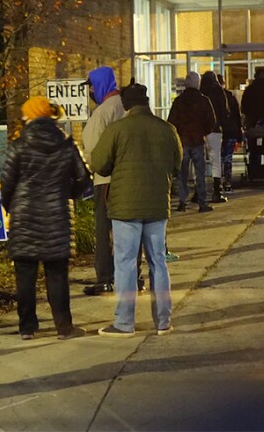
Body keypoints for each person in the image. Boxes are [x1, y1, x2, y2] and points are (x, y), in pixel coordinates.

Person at [90, 80, 182, 337]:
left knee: (126, 263)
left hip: (124, 208)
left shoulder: (118, 129)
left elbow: (98, 162)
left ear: (126, 105)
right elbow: (177, 163)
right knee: (158, 263)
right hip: (156, 205)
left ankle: (124, 322)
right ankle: (163, 321)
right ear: (147, 101)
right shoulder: (167, 129)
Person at [0, 96, 91, 341]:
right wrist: (66, 194)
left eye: (26, 114)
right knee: (57, 274)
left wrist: (10, 206)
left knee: (25, 275)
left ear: (32, 116)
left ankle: (27, 327)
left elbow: (6, 183)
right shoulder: (67, 145)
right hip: (56, 216)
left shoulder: (19, 146)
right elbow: (84, 180)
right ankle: (63, 327)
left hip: (24, 215)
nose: (24, 118)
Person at [80, 66, 126, 296]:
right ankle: (128, 276)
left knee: (103, 230)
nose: (89, 90)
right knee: (127, 229)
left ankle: (105, 277)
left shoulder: (102, 113)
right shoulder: (125, 107)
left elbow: (93, 151)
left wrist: (95, 166)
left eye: (91, 85)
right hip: (127, 179)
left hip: (105, 179)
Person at [167, 71, 215, 213]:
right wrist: (202, 132)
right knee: (200, 173)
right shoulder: (204, 100)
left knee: (182, 174)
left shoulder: (179, 101)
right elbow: (211, 121)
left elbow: (172, 122)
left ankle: (183, 202)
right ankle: (202, 202)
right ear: (198, 83)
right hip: (197, 141)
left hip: (182, 141)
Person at [200, 71, 229, 203]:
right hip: (215, 130)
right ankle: (216, 191)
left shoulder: (201, 92)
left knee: (199, 160)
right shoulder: (218, 91)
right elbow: (225, 111)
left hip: (200, 130)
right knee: (215, 160)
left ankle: (198, 191)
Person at [217, 73, 243, 193]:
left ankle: (218, 181)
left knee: (217, 158)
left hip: (217, 131)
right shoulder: (230, 96)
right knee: (227, 158)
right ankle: (227, 181)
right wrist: (239, 132)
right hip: (230, 131)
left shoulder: (208, 96)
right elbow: (237, 115)